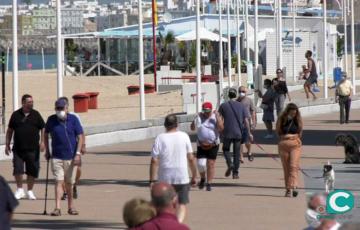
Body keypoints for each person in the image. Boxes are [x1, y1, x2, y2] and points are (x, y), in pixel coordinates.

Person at [149, 114, 197, 223]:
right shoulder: (184, 136)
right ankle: (177, 225)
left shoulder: (160, 138)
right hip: (181, 175)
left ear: (165, 125)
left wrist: (152, 180)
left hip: (165, 176)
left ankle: (165, 223)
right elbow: (190, 158)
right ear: (177, 124)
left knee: (163, 203)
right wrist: (194, 175)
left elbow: (154, 160)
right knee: (182, 203)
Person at [44, 98, 84, 216]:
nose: (59, 110)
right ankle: (57, 208)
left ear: (67, 108)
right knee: (58, 181)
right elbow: (45, 134)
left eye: (61, 108)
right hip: (56, 156)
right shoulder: (51, 120)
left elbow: (80, 136)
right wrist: (47, 150)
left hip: (71, 157)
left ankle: (71, 207)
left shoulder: (73, 119)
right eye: (57, 108)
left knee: (69, 183)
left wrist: (78, 154)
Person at [5, 94, 45, 200]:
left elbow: (43, 128)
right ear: (23, 103)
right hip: (18, 148)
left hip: (33, 149)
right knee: (17, 169)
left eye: (32, 102)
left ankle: (30, 191)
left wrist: (42, 142)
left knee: (32, 170)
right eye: (29, 102)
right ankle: (19, 190)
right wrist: (7, 144)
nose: (31, 103)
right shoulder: (15, 115)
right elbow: (10, 130)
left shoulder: (36, 114)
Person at [218, 88, 253, 179]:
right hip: (238, 132)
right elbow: (246, 120)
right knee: (237, 153)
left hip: (227, 132)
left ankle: (230, 164)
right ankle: (235, 173)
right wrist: (249, 133)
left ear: (228, 95)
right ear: (236, 95)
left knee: (225, 149)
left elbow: (219, 119)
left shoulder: (223, 105)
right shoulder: (241, 106)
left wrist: (219, 130)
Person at [190, 102, 224, 191]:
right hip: (201, 144)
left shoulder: (215, 117)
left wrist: (217, 117)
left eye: (208, 111)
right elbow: (192, 128)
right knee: (201, 164)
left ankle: (209, 183)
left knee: (211, 163)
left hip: (213, 144)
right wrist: (195, 119)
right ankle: (203, 178)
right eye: (205, 111)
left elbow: (221, 128)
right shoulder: (200, 117)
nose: (206, 113)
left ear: (211, 110)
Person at [58, 97, 86, 200]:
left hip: (74, 148)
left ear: (67, 106)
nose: (61, 109)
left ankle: (74, 185)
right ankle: (65, 191)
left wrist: (83, 145)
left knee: (77, 170)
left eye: (63, 106)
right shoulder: (55, 117)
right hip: (61, 150)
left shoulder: (74, 117)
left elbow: (81, 133)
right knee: (64, 173)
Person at [276, 103, 303, 197]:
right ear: (287, 112)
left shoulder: (297, 119)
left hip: (295, 145)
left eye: (294, 113)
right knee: (286, 168)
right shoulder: (282, 119)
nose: (293, 115)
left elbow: (300, 132)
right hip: (283, 144)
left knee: (293, 166)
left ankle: (294, 186)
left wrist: (293, 137)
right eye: (291, 113)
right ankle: (288, 189)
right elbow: (278, 131)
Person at [237, 86, 257, 162]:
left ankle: (249, 152)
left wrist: (253, 122)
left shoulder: (249, 100)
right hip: (239, 123)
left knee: (247, 141)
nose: (241, 93)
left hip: (247, 122)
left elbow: (253, 111)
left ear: (246, 92)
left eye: (243, 91)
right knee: (239, 141)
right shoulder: (236, 101)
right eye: (240, 91)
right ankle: (241, 156)